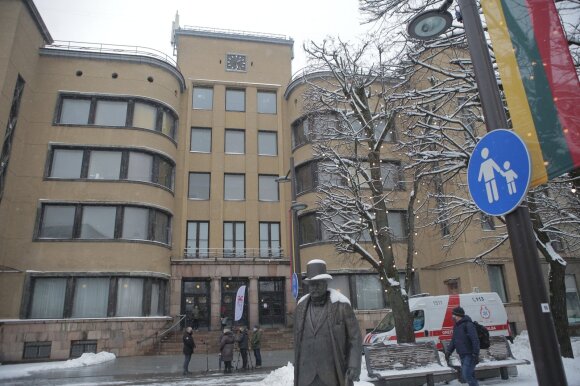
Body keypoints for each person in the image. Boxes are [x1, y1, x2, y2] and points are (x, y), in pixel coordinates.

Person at [294, 259, 362, 386]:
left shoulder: (341, 305)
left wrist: (353, 364)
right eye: (312, 284)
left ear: (326, 284)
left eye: (318, 284)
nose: (314, 288)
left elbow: (355, 338)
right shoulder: (300, 307)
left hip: (332, 372)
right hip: (306, 374)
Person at [445, 306, 480, 386]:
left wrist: (476, 353)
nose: (452, 316)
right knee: (469, 375)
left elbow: (475, 340)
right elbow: (454, 340)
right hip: (462, 354)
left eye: (453, 315)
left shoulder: (468, 325)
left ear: (457, 315)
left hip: (470, 354)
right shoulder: (456, 326)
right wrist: (448, 351)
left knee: (466, 374)